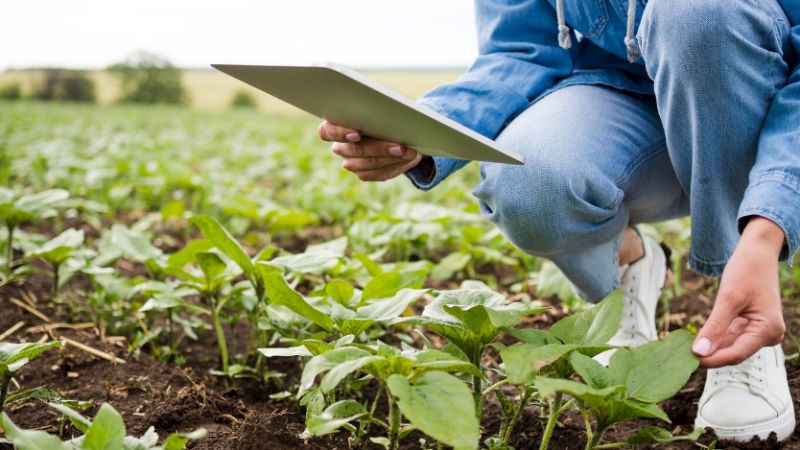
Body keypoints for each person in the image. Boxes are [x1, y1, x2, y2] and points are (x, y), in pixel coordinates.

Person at [319, 0, 799, 442]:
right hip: (618, 101)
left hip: (748, 102)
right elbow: (520, 48)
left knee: (698, 14)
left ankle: (745, 321)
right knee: (528, 182)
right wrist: (422, 128)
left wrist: (764, 232)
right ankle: (629, 262)